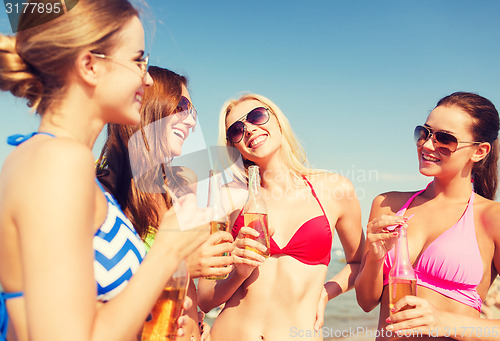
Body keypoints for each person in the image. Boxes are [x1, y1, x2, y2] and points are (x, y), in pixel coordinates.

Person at [0, 1, 211, 340]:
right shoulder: (58, 161)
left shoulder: (57, 159)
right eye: (137, 60)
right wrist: (169, 250)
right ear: (89, 66)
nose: (146, 76)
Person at [197, 93, 365, 341]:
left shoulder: (334, 189)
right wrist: (238, 274)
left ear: (278, 121)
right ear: (234, 146)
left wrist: (326, 292)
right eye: (236, 130)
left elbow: (359, 263)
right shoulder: (227, 198)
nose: (250, 129)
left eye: (257, 116)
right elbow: (205, 298)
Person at [96, 65, 234, 341]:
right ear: (149, 102)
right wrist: (182, 263)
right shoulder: (102, 188)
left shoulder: (181, 184)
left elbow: (193, 288)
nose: (192, 121)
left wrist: (198, 319)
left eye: (193, 112)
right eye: (182, 106)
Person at [355, 91, 500, 341]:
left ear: (479, 151)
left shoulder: (491, 217)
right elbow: (367, 302)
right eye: (425, 133)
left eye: (445, 138)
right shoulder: (388, 204)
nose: (427, 145)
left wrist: (446, 322)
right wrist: (375, 259)